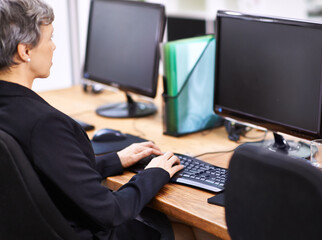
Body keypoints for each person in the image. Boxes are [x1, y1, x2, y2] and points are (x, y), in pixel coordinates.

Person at [0, 0, 187, 239]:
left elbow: (42, 173)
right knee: (190, 229)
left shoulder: (11, 109)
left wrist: (114, 160)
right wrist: (155, 172)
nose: (54, 46)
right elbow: (111, 212)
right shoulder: (44, 125)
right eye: (50, 38)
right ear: (25, 51)